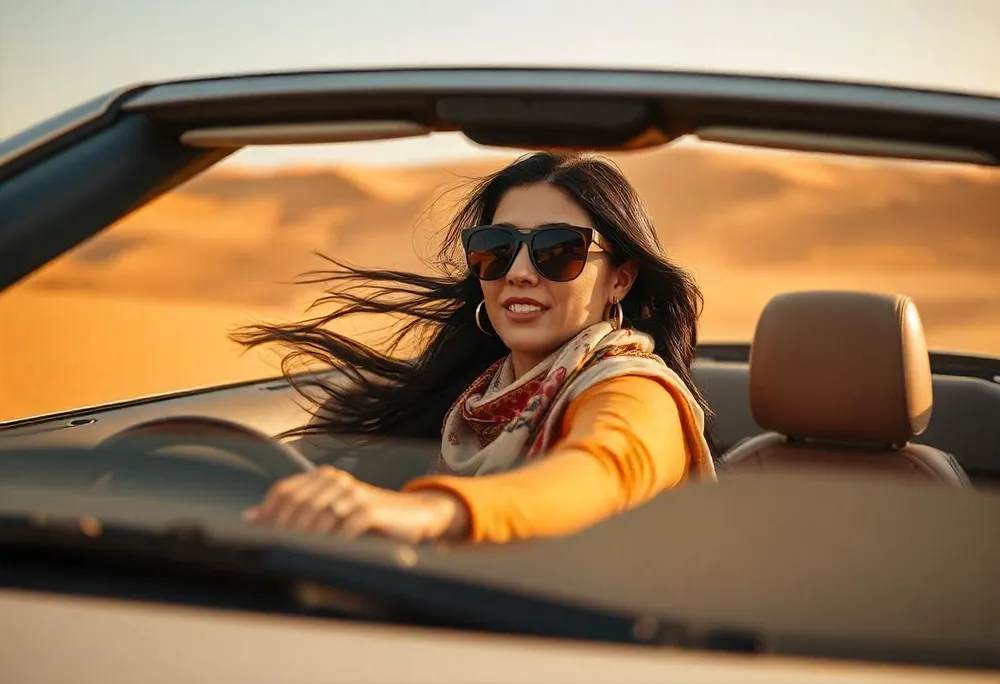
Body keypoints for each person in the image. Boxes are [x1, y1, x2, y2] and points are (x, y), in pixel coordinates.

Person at [236, 151, 717, 545]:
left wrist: (428, 510)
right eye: (496, 247)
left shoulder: (638, 392)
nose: (519, 272)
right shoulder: (479, 400)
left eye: (558, 250)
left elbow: (597, 473)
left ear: (621, 279)